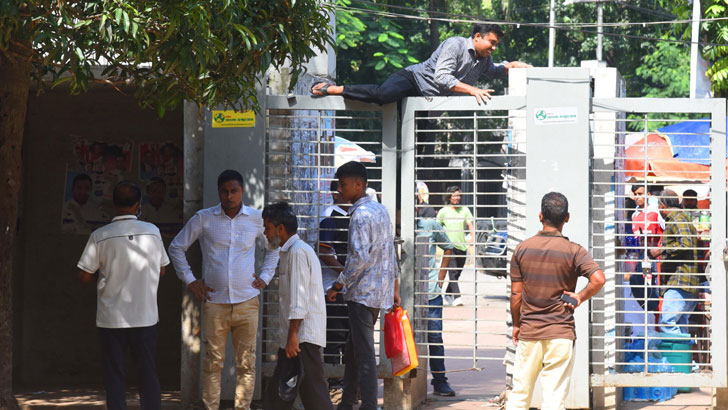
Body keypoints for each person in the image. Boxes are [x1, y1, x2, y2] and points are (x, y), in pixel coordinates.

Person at [168, 170, 280, 410]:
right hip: (214, 302)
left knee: (246, 363)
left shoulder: (256, 219)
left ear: (242, 192)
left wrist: (266, 276)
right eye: (224, 191)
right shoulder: (203, 218)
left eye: (234, 191)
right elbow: (176, 247)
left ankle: (242, 408)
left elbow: (274, 247)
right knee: (212, 363)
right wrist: (190, 280)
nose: (229, 196)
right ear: (218, 192)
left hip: (247, 302)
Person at [506, 192, 605, 410]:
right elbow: (598, 279)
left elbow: (516, 295)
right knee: (554, 398)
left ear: (540, 216)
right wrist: (579, 296)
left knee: (520, 392)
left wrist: (516, 324)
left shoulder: (522, 249)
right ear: (567, 218)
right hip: (561, 332)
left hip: (530, 331)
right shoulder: (575, 251)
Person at [77, 181, 169, 410]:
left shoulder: (100, 235)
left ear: (113, 204)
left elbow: (84, 276)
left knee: (114, 376)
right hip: (145, 316)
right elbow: (162, 269)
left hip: (112, 319)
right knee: (148, 374)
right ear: (138, 205)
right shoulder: (153, 232)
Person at [325, 161, 400, 410]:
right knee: (355, 349)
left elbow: (358, 258)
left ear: (359, 184)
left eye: (343, 185)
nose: (340, 190)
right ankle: (347, 403)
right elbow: (391, 253)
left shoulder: (359, 214)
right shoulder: (381, 210)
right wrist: (394, 288)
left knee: (365, 354)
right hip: (379, 294)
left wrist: (338, 284)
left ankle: (369, 405)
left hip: (361, 295)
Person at [311, 23, 531, 105]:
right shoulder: (455, 45)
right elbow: (442, 78)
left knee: (419, 144)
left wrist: (511, 66)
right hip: (414, 80)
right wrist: (472, 90)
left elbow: (493, 72)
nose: (494, 48)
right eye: (491, 43)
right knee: (383, 96)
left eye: (496, 45)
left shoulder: (484, 60)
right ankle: (334, 89)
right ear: (476, 37)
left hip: (429, 99)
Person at [261, 202, 334, 410]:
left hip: (302, 338)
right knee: (278, 395)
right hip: (294, 338)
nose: (265, 233)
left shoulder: (297, 253)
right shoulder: (290, 251)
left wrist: (293, 336)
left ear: (280, 229)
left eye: (267, 228)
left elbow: (299, 299)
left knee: (315, 396)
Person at [416, 182, 456, 396]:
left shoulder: (429, 224)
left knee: (434, 337)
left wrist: (441, 277)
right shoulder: (390, 227)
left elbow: (449, 246)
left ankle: (440, 381)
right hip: (404, 294)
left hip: (430, 292)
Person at [649, 190, 699, 335]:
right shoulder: (680, 218)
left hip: (679, 282)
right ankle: (681, 356)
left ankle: (675, 356)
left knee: (667, 322)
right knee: (680, 324)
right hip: (682, 282)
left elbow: (686, 243)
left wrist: (661, 250)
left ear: (662, 205)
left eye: (658, 205)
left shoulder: (678, 219)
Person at [318, 180, 350, 390]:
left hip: (349, 290)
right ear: (337, 193)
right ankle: (335, 384)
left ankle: (347, 385)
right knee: (335, 338)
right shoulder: (330, 218)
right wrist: (347, 275)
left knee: (349, 338)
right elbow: (324, 252)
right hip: (332, 290)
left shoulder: (353, 216)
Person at [436, 185, 474, 306]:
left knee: (457, 273)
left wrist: (473, 237)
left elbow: (470, 225)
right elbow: (437, 227)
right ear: (449, 197)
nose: (457, 198)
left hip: (462, 246)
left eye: (458, 195)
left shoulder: (465, 210)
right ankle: (457, 297)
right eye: (454, 195)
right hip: (449, 247)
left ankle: (447, 293)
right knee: (452, 272)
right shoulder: (443, 211)